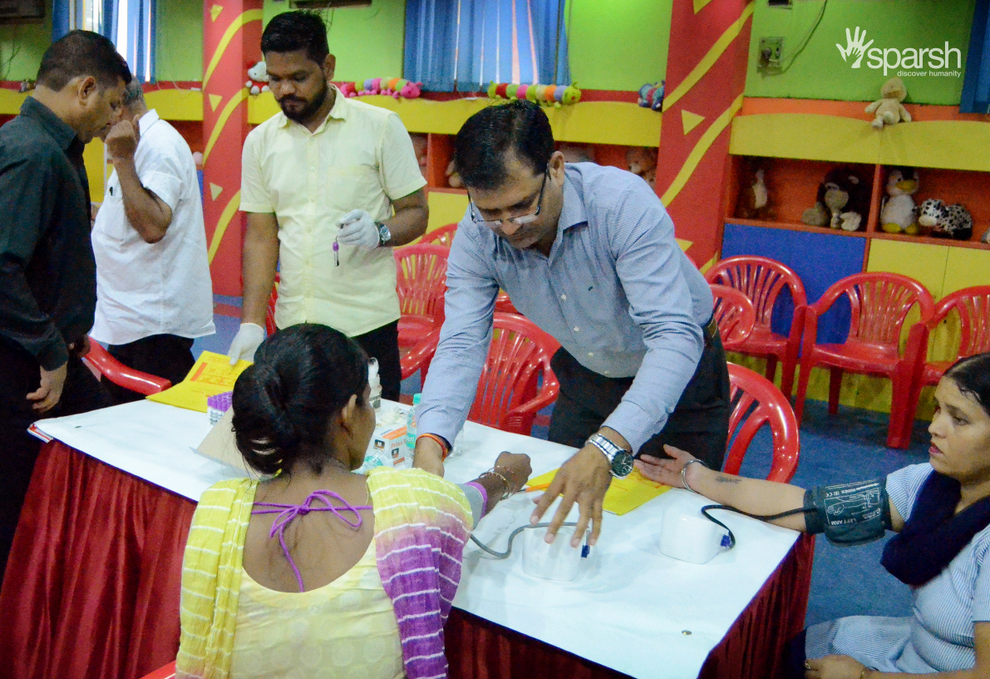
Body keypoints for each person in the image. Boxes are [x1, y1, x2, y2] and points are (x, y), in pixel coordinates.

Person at [412, 99, 728, 548]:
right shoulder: (477, 233)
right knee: (554, 515)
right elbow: (462, 340)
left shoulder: (621, 204)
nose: (507, 227)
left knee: (666, 532)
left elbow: (674, 337)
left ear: (556, 167)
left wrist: (606, 445)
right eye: (489, 212)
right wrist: (432, 442)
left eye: (521, 205)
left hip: (680, 378)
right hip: (588, 373)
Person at [176, 323, 531, 679]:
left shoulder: (218, 513)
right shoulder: (410, 502)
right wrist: (504, 476)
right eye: (369, 399)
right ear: (348, 412)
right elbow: (468, 500)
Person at [637, 352, 990, 678]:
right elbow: (809, 507)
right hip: (917, 646)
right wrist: (696, 476)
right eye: (938, 409)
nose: (935, 427)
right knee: (795, 653)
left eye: (959, 419)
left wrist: (869, 678)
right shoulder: (932, 486)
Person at [0, 30, 131, 598]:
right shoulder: (31, 152)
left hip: (38, 355)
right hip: (14, 366)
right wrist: (47, 348)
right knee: (18, 500)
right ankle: (20, 630)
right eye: (111, 104)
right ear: (85, 89)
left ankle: (54, 600)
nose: (114, 120)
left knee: (103, 449)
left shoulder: (49, 147)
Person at [226, 10, 429, 402]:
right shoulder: (261, 143)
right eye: (275, 79)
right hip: (294, 328)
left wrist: (380, 232)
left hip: (365, 327)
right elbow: (261, 237)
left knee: (371, 446)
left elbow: (417, 212)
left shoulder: (380, 127)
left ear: (328, 67)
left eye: (298, 77)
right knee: (300, 445)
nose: (286, 90)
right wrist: (251, 323)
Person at [89, 80, 215, 402]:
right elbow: (130, 210)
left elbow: (152, 225)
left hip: (153, 327)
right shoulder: (137, 144)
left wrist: (122, 160)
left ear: (117, 104)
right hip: (133, 321)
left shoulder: (157, 145)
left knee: (149, 424)